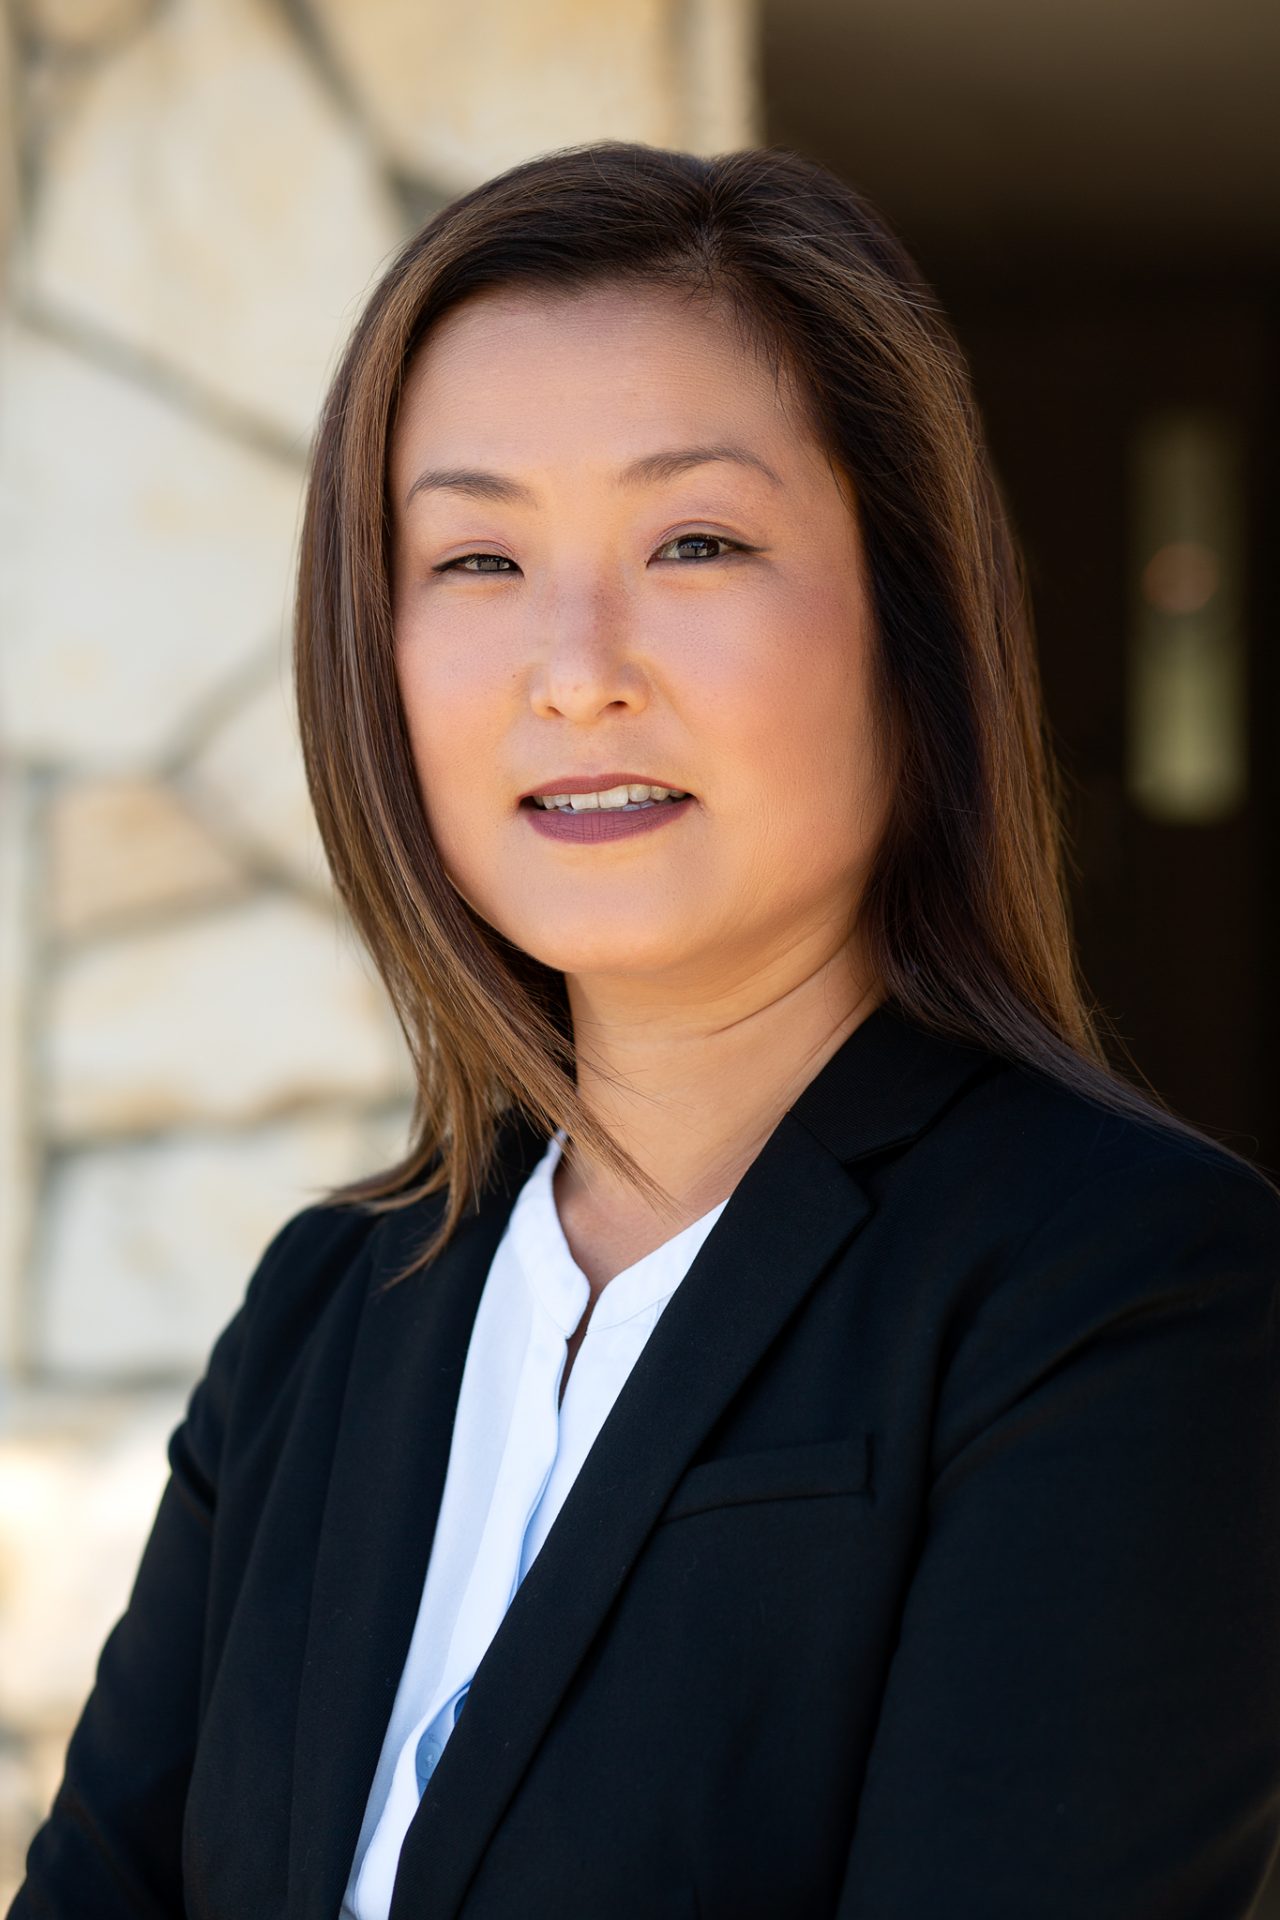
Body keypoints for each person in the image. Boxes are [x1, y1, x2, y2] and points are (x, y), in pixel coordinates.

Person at [9, 139, 1280, 1920]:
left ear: (908, 637)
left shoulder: (1119, 1292)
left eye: (695, 539)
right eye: (476, 558)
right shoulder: (324, 1319)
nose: (577, 665)